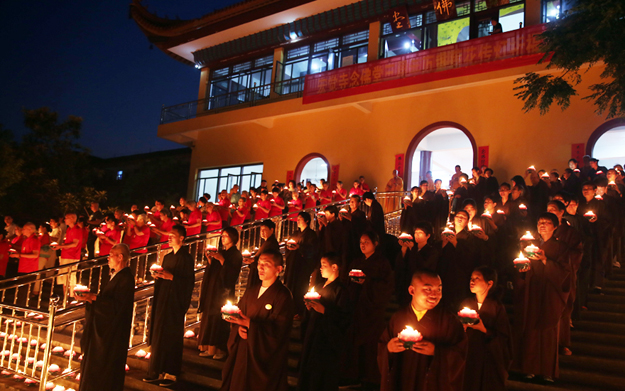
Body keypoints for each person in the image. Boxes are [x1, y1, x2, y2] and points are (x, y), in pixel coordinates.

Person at [378, 270, 467, 391]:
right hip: (403, 380)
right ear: (412, 291)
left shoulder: (449, 321)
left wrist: (437, 352)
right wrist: (389, 349)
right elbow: (382, 347)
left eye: (439, 289)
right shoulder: (398, 318)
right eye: (428, 289)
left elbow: (461, 354)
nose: (435, 295)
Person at [220, 249, 294, 391]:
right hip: (244, 348)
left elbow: (280, 330)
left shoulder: (283, 295)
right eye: (259, 263)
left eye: (266, 264)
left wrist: (249, 325)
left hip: (263, 357)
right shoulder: (251, 291)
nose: (260, 267)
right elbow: (240, 315)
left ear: (279, 269)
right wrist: (238, 328)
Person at [514, 212, 571, 382]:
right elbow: (523, 267)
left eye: (547, 222)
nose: (542, 225)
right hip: (533, 292)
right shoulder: (531, 246)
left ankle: (547, 371)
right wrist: (522, 271)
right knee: (530, 329)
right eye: (540, 222)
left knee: (548, 332)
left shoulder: (562, 248)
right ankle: (529, 368)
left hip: (551, 294)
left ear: (555, 227)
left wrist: (546, 261)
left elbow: (566, 273)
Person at [78, 243, 134, 391]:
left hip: (113, 333)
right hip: (104, 327)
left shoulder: (126, 278)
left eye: (111, 255)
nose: (108, 258)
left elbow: (117, 306)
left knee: (106, 367)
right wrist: (91, 299)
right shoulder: (116, 276)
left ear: (120, 257)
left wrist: (95, 298)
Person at [144, 225, 195, 387]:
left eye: (173, 235)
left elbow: (188, 282)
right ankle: (156, 370)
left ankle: (171, 372)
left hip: (175, 302)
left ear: (182, 238)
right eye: (169, 235)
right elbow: (164, 276)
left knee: (171, 336)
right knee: (160, 335)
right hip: (163, 300)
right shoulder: (167, 257)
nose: (170, 237)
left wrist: (172, 277)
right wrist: (158, 275)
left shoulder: (186, 258)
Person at [343, 231, 393, 390]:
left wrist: (367, 282)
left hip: (372, 311)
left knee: (370, 345)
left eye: (366, 242)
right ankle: (353, 375)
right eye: (361, 242)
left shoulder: (382, 263)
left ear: (375, 243)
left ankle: (370, 378)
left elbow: (386, 287)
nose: (363, 245)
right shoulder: (356, 261)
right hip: (356, 308)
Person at [297, 252, 350, 391]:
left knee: (321, 376)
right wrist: (309, 307)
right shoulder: (320, 286)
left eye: (324, 265)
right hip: (313, 334)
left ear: (334, 267)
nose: (321, 268)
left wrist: (325, 311)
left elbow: (344, 317)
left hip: (327, 340)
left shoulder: (341, 289)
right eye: (321, 265)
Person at [461, 266, 512, 391]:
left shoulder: (496, 307)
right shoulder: (466, 303)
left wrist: (483, 329)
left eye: (477, 278)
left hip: (487, 359)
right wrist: (462, 327)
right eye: (471, 278)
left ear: (489, 283)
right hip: (468, 356)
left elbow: (504, 338)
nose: (472, 281)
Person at [198, 227, 243, 360]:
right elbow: (214, 271)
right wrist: (211, 261)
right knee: (210, 318)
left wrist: (222, 260)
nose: (223, 238)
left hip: (223, 292)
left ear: (233, 238)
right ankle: (209, 347)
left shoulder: (235, 254)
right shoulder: (221, 252)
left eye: (226, 236)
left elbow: (231, 275)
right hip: (213, 290)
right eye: (222, 236)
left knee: (219, 320)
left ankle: (220, 349)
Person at [285, 212, 320, 318]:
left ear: (307, 221)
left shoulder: (311, 234)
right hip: (292, 265)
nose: (298, 221)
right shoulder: (295, 233)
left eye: (300, 219)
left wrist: (299, 248)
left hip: (302, 267)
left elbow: (313, 250)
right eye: (297, 219)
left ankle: (299, 311)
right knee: (290, 285)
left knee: (300, 288)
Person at [395, 222, 440, 305]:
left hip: (421, 284)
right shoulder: (411, 248)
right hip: (406, 283)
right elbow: (400, 265)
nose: (417, 235)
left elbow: (423, 266)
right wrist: (404, 248)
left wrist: (413, 250)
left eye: (420, 233)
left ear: (428, 236)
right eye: (416, 233)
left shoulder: (432, 251)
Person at [51, 213, 83, 299]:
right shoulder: (69, 229)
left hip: (72, 256)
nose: (64, 220)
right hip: (65, 255)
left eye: (66, 218)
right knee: (63, 277)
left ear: (72, 219)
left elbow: (74, 244)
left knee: (71, 276)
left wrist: (60, 246)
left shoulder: (77, 229)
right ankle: (65, 297)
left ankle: (72, 296)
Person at [247, 220, 280, 288]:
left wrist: (253, 261)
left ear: (271, 230)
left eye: (264, 230)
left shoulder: (271, 243)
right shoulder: (267, 242)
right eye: (261, 230)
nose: (262, 232)